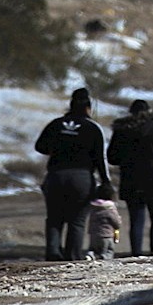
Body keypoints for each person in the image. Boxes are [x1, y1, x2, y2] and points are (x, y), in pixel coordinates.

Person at [34, 88, 111, 262]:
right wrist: (106, 182)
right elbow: (100, 157)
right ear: (88, 108)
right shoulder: (93, 127)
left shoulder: (56, 124)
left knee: (54, 218)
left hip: (56, 175)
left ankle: (52, 253)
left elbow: (40, 147)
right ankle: (72, 256)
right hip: (81, 178)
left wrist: (58, 147)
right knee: (77, 221)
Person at [105, 98, 153, 256]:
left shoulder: (122, 130)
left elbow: (112, 157)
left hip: (131, 180)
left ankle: (136, 252)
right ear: (148, 111)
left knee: (136, 220)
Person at [85, 195, 121, 260]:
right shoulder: (110, 211)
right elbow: (117, 223)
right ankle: (104, 261)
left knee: (93, 249)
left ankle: (90, 256)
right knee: (108, 251)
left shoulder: (94, 210)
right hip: (106, 236)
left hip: (93, 235)